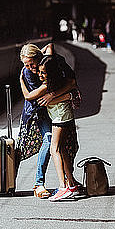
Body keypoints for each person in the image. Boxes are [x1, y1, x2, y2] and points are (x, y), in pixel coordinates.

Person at [18, 43, 75, 198]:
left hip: (56, 110)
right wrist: (66, 95)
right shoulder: (28, 72)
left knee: (64, 145)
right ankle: (39, 183)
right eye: (25, 64)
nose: (29, 67)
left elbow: (71, 82)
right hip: (39, 112)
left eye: (31, 63)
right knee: (50, 141)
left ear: (39, 58)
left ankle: (70, 181)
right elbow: (34, 98)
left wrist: (54, 94)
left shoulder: (53, 63)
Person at [37, 55, 80, 202]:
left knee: (54, 149)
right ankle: (72, 185)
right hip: (63, 116)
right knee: (61, 149)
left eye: (43, 72)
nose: (40, 75)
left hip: (60, 117)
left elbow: (32, 97)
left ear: (51, 73)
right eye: (39, 72)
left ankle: (63, 187)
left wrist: (22, 81)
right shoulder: (59, 82)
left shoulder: (53, 85)